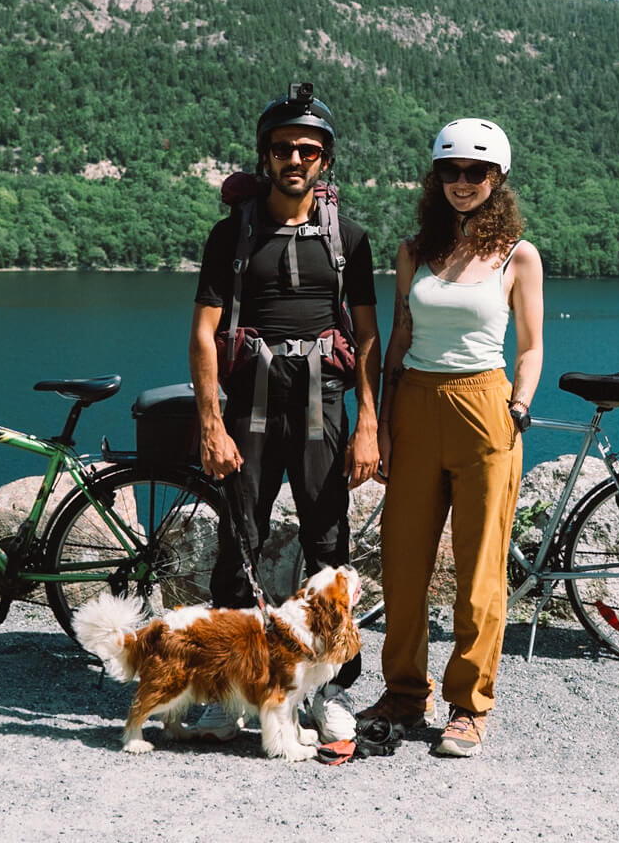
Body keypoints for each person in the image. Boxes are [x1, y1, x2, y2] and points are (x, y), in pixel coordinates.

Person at [187, 82, 381, 740]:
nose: (294, 159)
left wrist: (370, 427)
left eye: (307, 149)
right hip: (248, 410)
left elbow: (368, 338)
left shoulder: (348, 240)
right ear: (264, 157)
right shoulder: (232, 236)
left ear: (325, 160)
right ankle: (228, 689)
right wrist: (210, 423)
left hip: (324, 408)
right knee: (238, 545)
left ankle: (330, 692)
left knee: (329, 549)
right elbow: (203, 334)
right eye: (282, 149)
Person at [358, 118, 543, 759]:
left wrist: (517, 408)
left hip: (485, 406)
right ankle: (406, 693)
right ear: (435, 179)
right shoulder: (415, 251)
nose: (462, 182)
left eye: (476, 172)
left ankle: (468, 706)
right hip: (414, 402)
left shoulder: (518, 254)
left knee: (480, 570)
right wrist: (378, 423)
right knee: (403, 563)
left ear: (497, 179)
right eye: (450, 171)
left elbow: (531, 348)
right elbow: (398, 339)